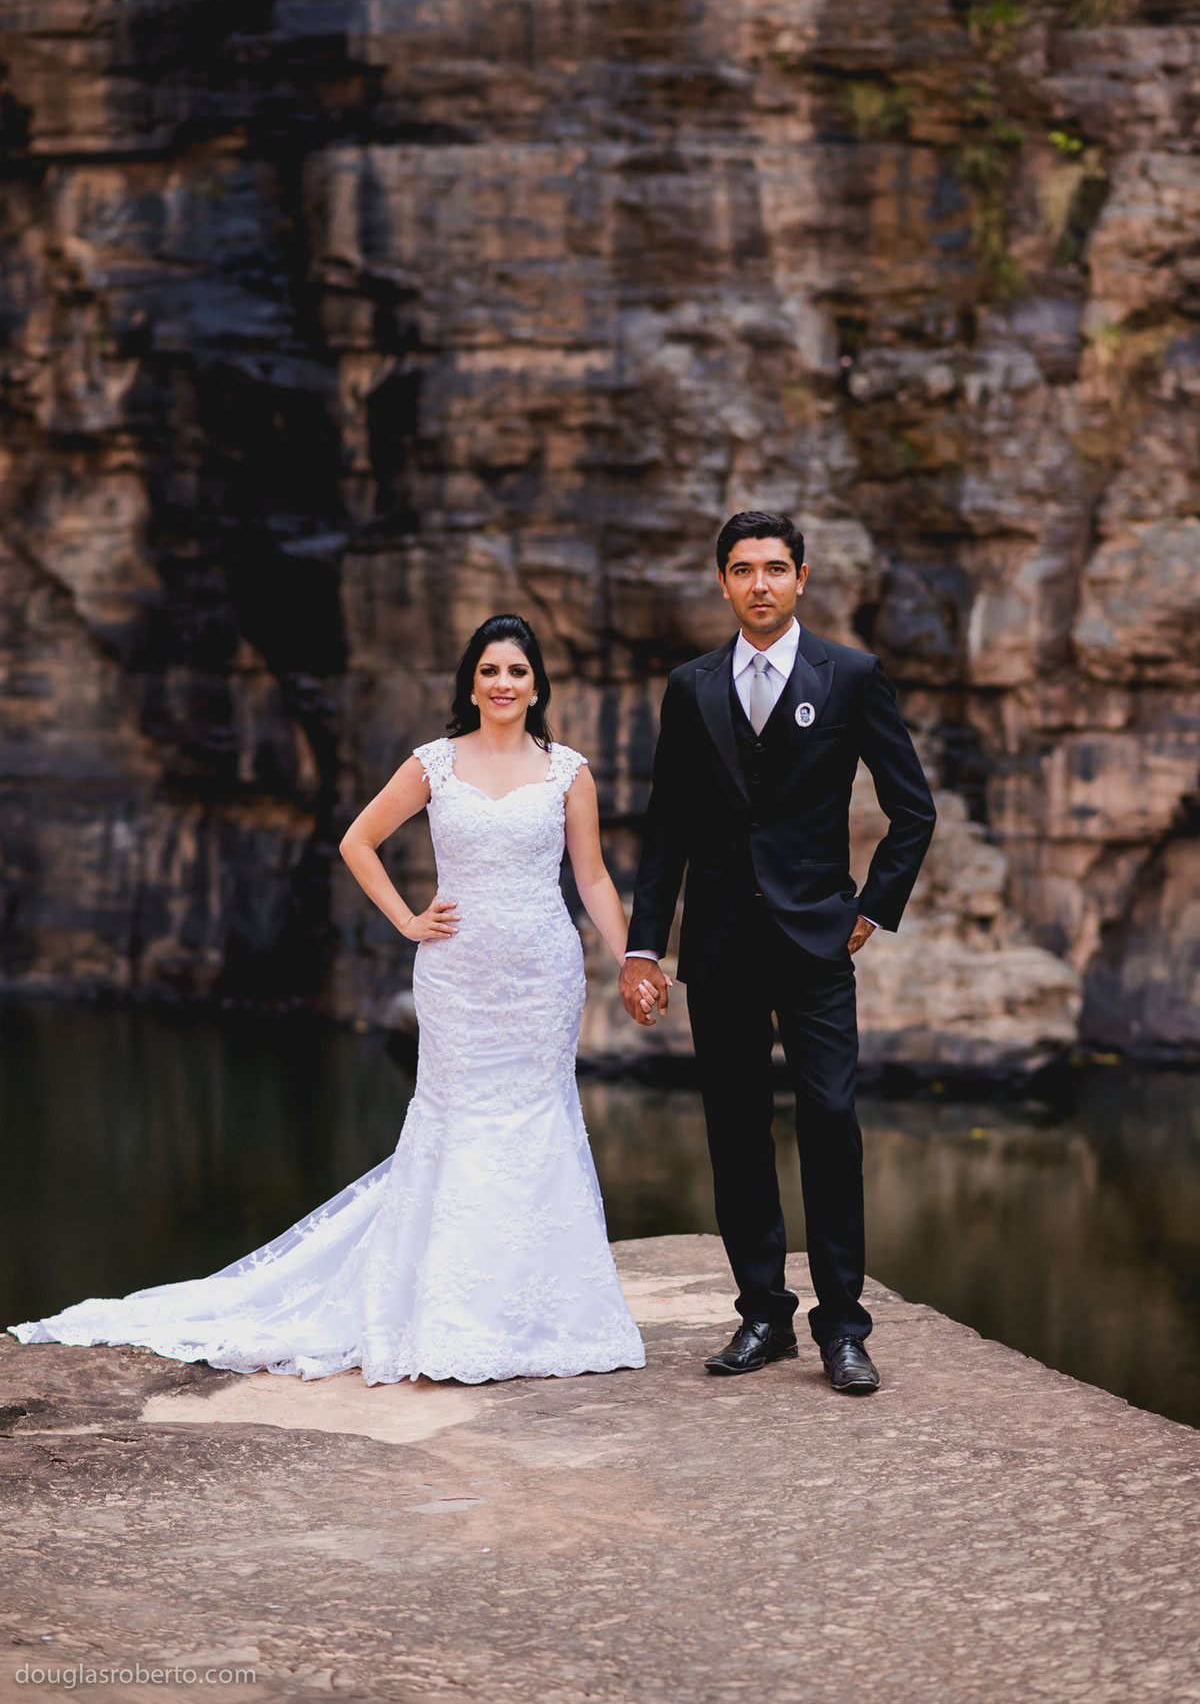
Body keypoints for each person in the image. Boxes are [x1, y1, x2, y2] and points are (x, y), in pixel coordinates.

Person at [10, 615, 646, 1387]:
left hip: (544, 977)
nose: (503, 683)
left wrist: (633, 958)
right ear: (471, 685)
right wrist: (407, 919)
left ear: (537, 685)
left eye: (517, 671)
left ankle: (542, 1313)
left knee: (539, 1120)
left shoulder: (568, 772)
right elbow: (357, 840)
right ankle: (452, 1315)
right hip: (459, 978)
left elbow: (593, 877)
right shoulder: (436, 763)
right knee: (461, 1122)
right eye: (489, 671)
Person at [620, 512, 936, 1394]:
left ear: (801, 578)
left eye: (774, 568)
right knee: (735, 1129)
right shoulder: (690, 686)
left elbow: (913, 809)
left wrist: (871, 911)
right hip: (720, 944)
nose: (758, 583)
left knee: (830, 1120)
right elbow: (666, 827)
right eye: (742, 569)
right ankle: (764, 1314)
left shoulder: (852, 676)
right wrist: (645, 948)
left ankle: (843, 1328)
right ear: (722, 581)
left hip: (815, 942)